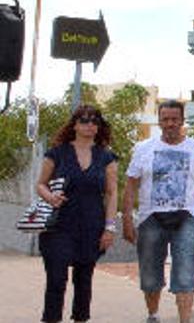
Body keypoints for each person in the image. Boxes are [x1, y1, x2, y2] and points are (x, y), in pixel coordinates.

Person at [122, 100, 194, 323]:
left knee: (185, 273)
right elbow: (130, 186)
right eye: (165, 119)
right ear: (159, 121)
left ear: (182, 120)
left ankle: (184, 320)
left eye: (174, 119)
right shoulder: (143, 149)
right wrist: (127, 219)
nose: (170, 124)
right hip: (151, 218)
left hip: (186, 218)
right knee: (150, 275)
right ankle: (153, 315)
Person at [34, 105, 119, 322]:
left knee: (84, 280)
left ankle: (80, 318)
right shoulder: (57, 153)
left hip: (91, 226)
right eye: (84, 120)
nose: (90, 125)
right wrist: (50, 197)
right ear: (74, 124)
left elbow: (111, 194)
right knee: (56, 279)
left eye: (95, 121)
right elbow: (40, 184)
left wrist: (109, 228)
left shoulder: (106, 158)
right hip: (59, 225)